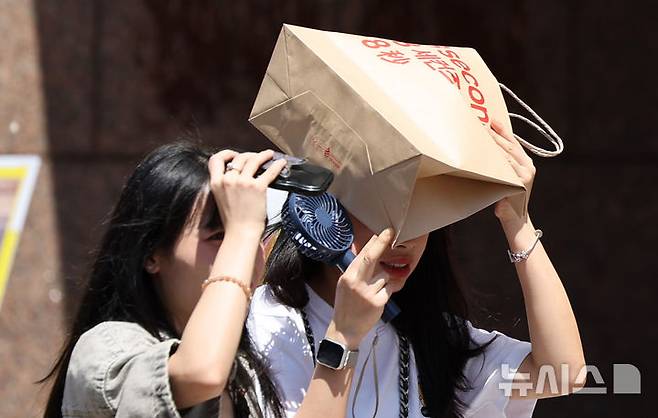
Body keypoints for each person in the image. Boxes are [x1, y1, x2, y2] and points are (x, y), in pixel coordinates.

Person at [247, 122, 586, 418]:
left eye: (420, 217)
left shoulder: (433, 338)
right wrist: (343, 338)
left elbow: (563, 374)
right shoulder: (260, 324)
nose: (404, 239)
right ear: (323, 211)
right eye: (381, 213)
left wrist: (517, 221)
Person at [41, 142, 289, 417]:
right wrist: (241, 230)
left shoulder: (240, 366)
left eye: (258, 235)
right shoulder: (107, 347)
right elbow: (200, 374)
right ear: (152, 254)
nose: (247, 253)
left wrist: (341, 334)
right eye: (219, 236)